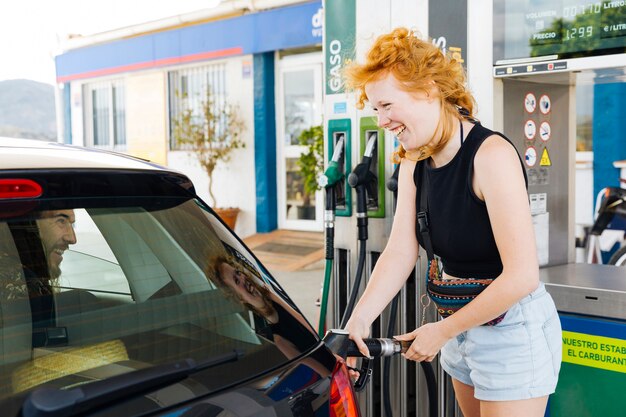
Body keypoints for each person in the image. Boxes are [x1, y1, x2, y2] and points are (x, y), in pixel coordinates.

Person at [342, 28, 562, 417]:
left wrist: (442, 332)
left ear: (428, 89)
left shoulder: (491, 156)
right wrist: (358, 320)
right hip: (460, 324)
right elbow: (400, 250)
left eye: (387, 105)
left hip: (511, 328)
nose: (381, 120)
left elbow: (522, 275)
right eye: (375, 109)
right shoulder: (414, 161)